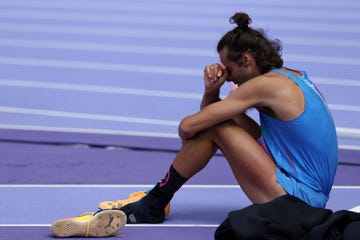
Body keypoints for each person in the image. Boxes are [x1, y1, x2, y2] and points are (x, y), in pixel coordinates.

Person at [106, 11, 339, 224]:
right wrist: (211, 93)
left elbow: (187, 127)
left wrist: (211, 94)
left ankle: (154, 202)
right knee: (220, 120)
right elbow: (209, 118)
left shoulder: (265, 86)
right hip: (308, 196)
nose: (228, 78)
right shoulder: (292, 77)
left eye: (229, 69)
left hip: (299, 203)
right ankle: (155, 200)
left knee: (215, 126)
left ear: (246, 60)